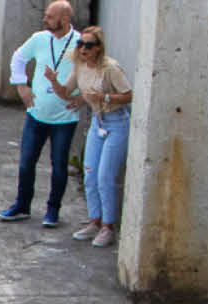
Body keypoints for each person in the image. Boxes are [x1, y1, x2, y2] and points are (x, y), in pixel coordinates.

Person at [1, 0, 81, 227]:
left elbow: (91, 70)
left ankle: (53, 210)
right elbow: (19, 57)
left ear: (64, 20)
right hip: (37, 114)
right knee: (26, 162)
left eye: (50, 16)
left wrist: (83, 96)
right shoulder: (39, 39)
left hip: (64, 117)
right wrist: (21, 85)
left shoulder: (79, 43)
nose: (45, 19)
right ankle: (22, 205)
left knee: (59, 165)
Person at [68, 27, 133, 247]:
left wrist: (103, 96)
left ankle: (108, 226)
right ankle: (94, 221)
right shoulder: (80, 66)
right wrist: (53, 83)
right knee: (90, 172)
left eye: (88, 45)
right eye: (80, 44)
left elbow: (128, 95)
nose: (83, 49)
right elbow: (69, 90)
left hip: (116, 122)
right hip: (98, 121)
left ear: (98, 48)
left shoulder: (110, 68)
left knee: (106, 177)